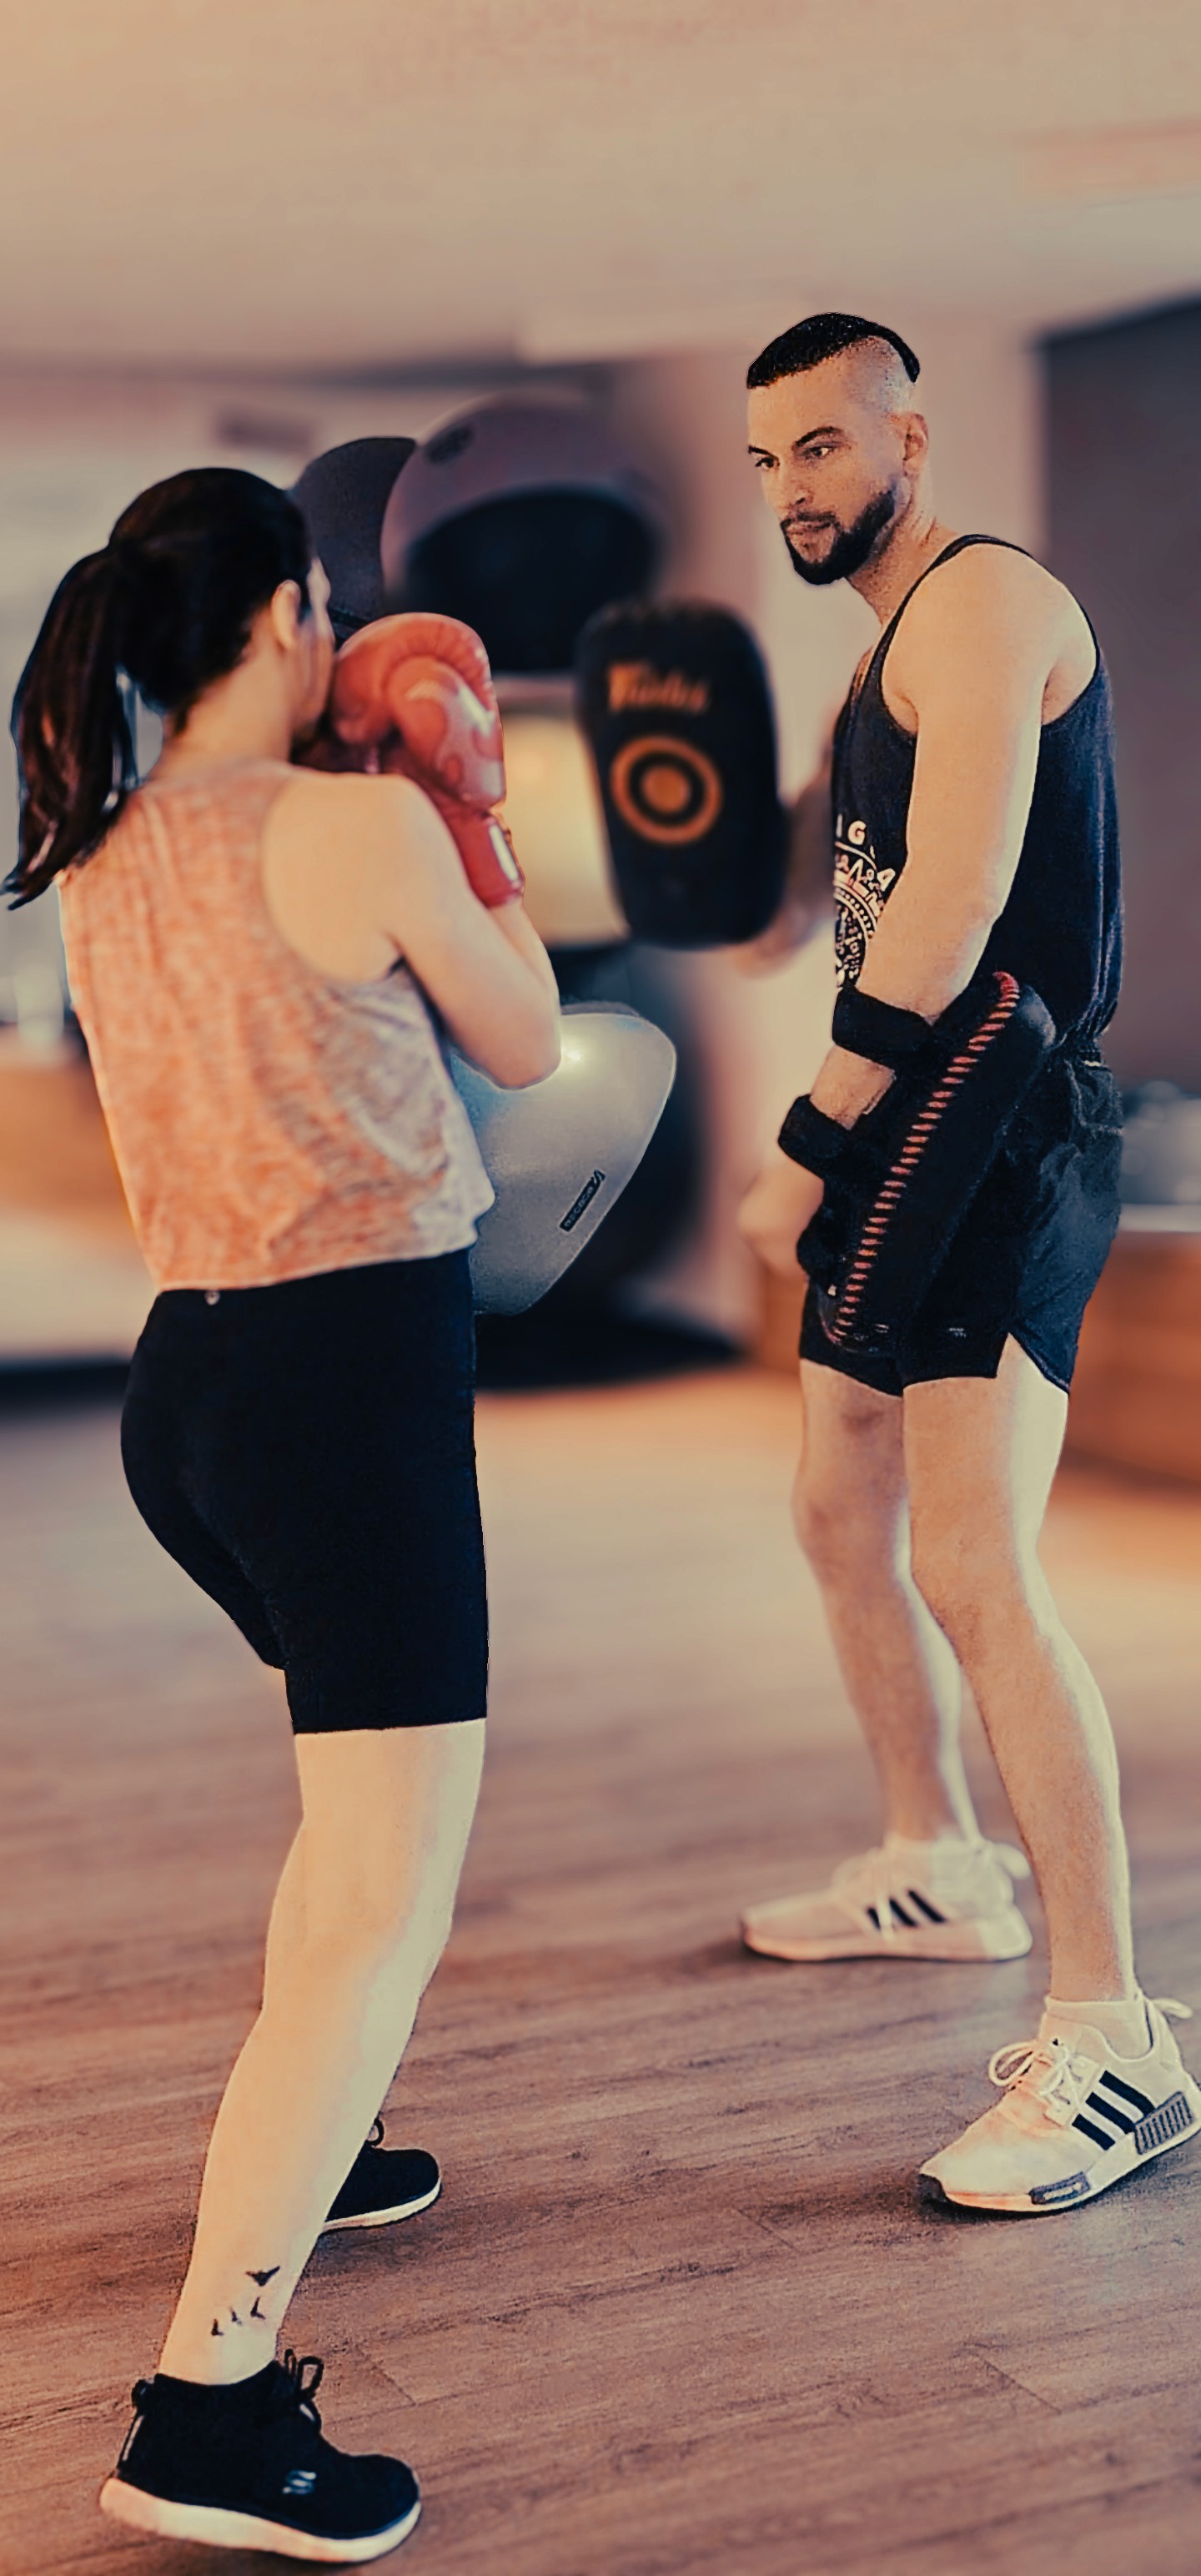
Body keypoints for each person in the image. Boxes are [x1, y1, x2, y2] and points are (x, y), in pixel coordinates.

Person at [10, 467, 560, 2558]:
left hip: (197, 1397)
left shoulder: (99, 847)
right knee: (382, 1900)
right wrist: (470, 807)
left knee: (347, 1849)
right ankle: (209, 2403)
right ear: (286, 615)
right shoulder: (359, 824)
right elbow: (525, 1036)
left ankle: (327, 2139)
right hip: (348, 1389)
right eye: (323, 606)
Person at [736, 312, 1200, 2215]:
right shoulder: (874, 660)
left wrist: (802, 1143)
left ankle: (1117, 2038)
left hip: (1006, 1126)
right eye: (770, 461)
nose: (794, 489)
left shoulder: (991, 604)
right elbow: (824, 900)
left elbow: (952, 906)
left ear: (908, 438)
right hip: (915, 1116)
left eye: (823, 446)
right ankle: (936, 1858)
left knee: (973, 1564)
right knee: (835, 1499)